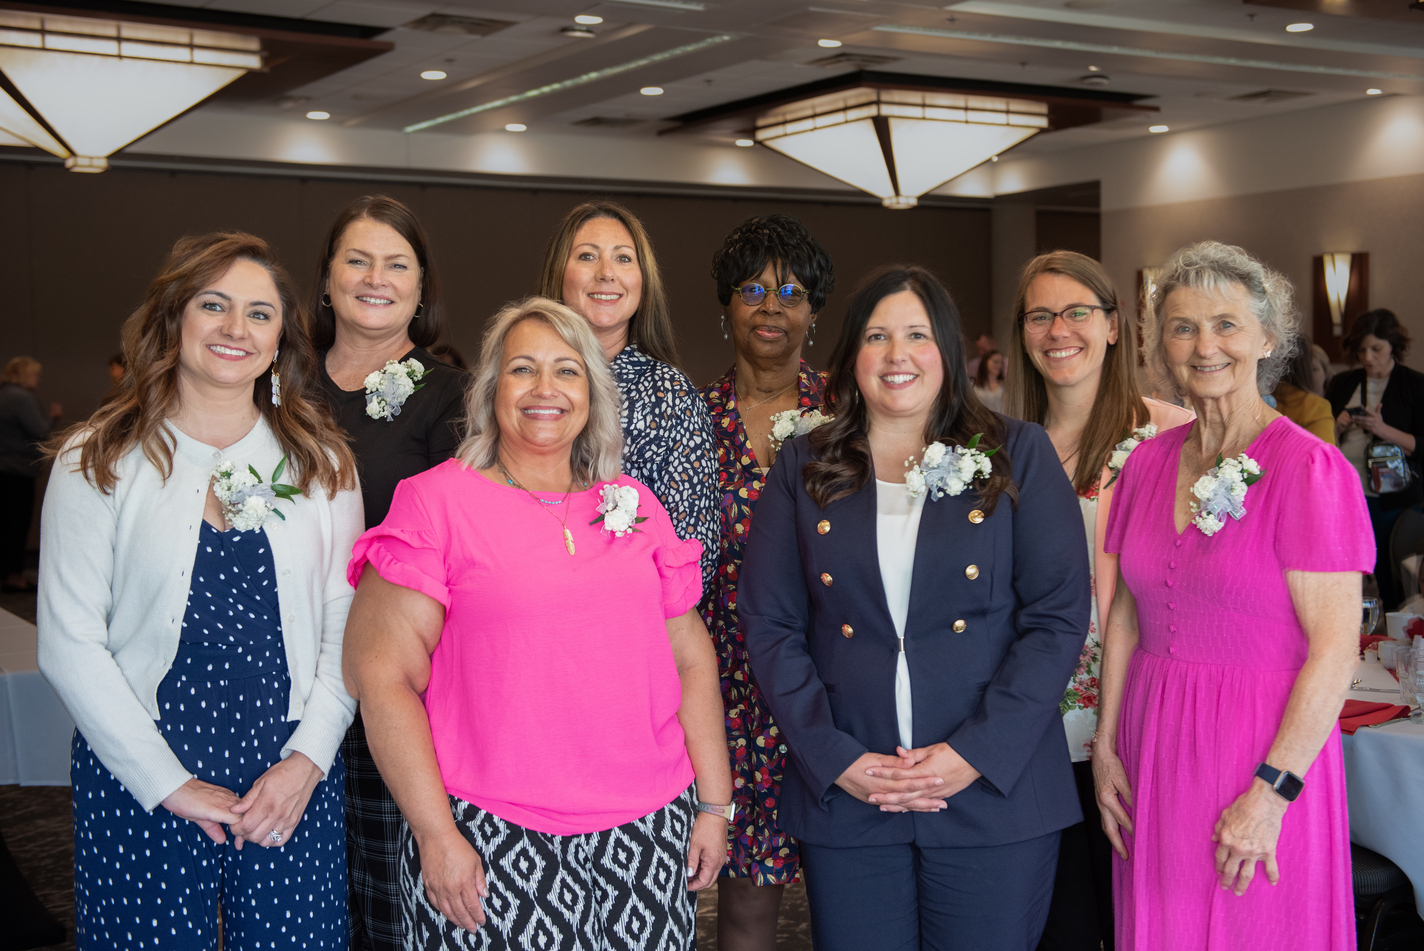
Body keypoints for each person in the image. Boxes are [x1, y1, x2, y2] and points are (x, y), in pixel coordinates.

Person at [341, 298, 732, 950]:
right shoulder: (436, 502)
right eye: (523, 369)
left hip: (647, 831)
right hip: (486, 833)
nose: (545, 389)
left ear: (593, 392)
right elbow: (381, 677)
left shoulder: (635, 505)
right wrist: (437, 834)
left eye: (567, 370)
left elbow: (691, 657)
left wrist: (714, 805)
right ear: (493, 388)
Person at [742, 265, 1090, 950]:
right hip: (850, 793)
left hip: (993, 792)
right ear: (852, 356)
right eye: (877, 335)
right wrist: (835, 756)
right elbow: (770, 622)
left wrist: (972, 754)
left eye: (916, 335)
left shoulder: (1017, 452)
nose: (897, 354)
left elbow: (1055, 618)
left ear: (948, 352)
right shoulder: (805, 466)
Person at [37, 232, 363, 949]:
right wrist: (164, 780)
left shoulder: (322, 461)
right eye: (213, 305)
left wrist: (308, 759)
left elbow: (348, 621)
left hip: (289, 761)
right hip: (139, 760)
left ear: (281, 337)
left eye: (259, 313)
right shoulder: (96, 459)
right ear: (173, 319)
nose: (234, 329)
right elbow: (68, 641)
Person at [1093, 241, 1370, 950]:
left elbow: (1337, 651)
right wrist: (1106, 742)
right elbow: (1124, 612)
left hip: (1261, 750)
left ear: (1267, 338)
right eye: (1182, 327)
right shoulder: (1147, 461)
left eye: (1225, 324)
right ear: (1162, 347)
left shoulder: (1312, 470)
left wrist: (1272, 791)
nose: (1203, 344)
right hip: (1152, 746)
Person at [1005, 250, 1193, 951]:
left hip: (1139, 714)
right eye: (1041, 315)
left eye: (1078, 311)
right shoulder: (1001, 449)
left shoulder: (1171, 435)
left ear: (1114, 326)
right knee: (1060, 921)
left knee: (1142, 915)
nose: (1061, 329)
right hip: (1034, 722)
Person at [309, 194, 468, 951]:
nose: (376, 278)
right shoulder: (276, 386)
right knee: (296, 898)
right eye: (357, 259)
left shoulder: (448, 398)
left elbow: (462, 550)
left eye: (396, 263)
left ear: (421, 285)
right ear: (327, 278)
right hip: (287, 673)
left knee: (385, 902)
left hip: (392, 681)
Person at [699, 213, 833, 951]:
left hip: (832, 689)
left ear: (814, 310)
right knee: (745, 915)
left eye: (790, 291)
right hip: (725, 694)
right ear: (727, 305)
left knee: (849, 904)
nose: (771, 306)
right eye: (752, 289)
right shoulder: (693, 419)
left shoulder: (850, 417)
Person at [537, 200, 719, 589]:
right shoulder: (526, 386)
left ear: (642, 279)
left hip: (635, 618)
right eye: (587, 256)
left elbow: (695, 550)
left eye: (623, 259)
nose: (606, 274)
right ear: (559, 273)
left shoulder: (672, 396)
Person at [1326, 308, 1424, 610]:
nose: (1368, 357)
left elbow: (1422, 446)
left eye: (1376, 348)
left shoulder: (1414, 385)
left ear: (1393, 345)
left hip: (1394, 499)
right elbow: (1319, 443)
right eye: (1362, 350)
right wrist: (1338, 427)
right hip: (1347, 494)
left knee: (1390, 577)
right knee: (1343, 575)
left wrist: (1382, 429)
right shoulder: (1343, 383)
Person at [0, 357, 60, 591]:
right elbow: (40, 431)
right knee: (17, 524)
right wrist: (54, 417)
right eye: (36, 374)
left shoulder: (3, 394)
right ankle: (15, 575)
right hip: (17, 470)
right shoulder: (22, 398)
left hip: (3, 469)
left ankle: (6, 572)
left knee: (5, 524)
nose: (38, 379)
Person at [1272, 345, 1334, 442]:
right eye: (1305, 370)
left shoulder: (1336, 399)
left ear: (1325, 371)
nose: (1309, 375)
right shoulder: (1276, 400)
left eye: (1314, 369)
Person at [973, 348, 1006, 413]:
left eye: (1001, 363)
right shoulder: (975, 386)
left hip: (1002, 421)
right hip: (982, 421)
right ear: (985, 362)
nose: (999, 365)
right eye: (996, 362)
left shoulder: (1005, 385)